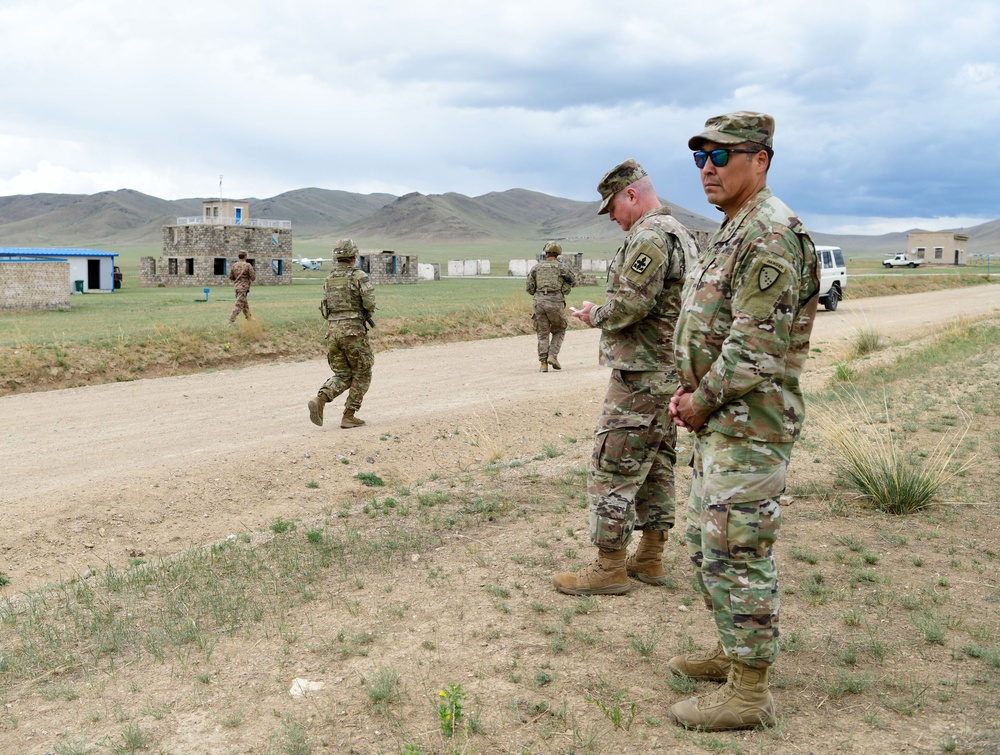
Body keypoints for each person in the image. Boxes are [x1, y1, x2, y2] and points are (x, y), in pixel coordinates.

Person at [667, 112, 820, 731]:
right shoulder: (735, 229)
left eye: (721, 156)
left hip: (748, 425)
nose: (707, 167)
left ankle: (749, 691)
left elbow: (754, 347)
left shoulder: (771, 235)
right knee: (708, 546)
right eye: (700, 156)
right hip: (721, 423)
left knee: (737, 549)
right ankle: (734, 652)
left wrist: (697, 400)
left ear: (760, 160)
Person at [551, 159, 698, 597]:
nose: (612, 217)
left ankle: (609, 565)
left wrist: (593, 312)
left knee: (612, 464)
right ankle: (650, 555)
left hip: (642, 374)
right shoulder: (681, 233)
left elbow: (628, 307)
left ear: (631, 196)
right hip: (668, 371)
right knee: (655, 462)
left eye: (613, 207)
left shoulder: (651, 236)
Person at [308, 239, 376, 429]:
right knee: (363, 373)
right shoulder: (359, 276)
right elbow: (370, 303)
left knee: (343, 374)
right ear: (354, 257)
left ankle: (320, 398)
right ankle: (349, 415)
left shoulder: (329, 279)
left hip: (332, 332)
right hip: (353, 332)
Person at [525, 241, 576, 371]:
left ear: (546, 253)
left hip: (539, 303)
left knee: (542, 333)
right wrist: (564, 288)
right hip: (556, 302)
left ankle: (543, 363)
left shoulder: (536, 268)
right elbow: (572, 281)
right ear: (558, 254)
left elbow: (529, 288)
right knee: (559, 329)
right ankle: (552, 355)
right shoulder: (562, 268)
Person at [227, 251, 256, 323]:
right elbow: (253, 278)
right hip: (244, 287)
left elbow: (231, 277)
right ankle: (230, 320)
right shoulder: (248, 265)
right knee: (239, 304)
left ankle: (249, 319)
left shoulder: (234, 265)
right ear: (245, 256)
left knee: (244, 304)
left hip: (237, 287)